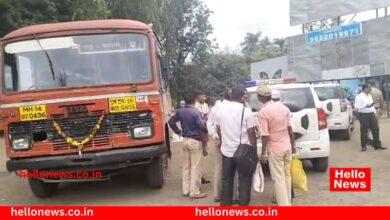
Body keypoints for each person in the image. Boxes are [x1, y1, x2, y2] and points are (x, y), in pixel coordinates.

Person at [215, 87, 257, 206]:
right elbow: (251, 132)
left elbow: (218, 129)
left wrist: (224, 141)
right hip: (243, 151)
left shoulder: (220, 110)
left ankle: (226, 206)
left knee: (227, 179)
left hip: (226, 151)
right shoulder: (246, 111)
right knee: (244, 179)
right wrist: (254, 150)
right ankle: (243, 206)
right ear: (242, 97)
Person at [257, 85, 295, 206]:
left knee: (278, 179)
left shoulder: (263, 112)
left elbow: (265, 135)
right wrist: (293, 144)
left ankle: (284, 206)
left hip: (275, 149)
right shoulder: (284, 108)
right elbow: (290, 129)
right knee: (287, 175)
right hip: (287, 146)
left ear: (261, 97)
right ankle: (288, 202)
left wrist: (263, 153)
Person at [168, 93, 208, 199]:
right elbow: (202, 127)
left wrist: (179, 132)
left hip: (184, 140)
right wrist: (206, 128)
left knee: (186, 166)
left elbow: (171, 122)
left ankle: (185, 190)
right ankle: (194, 191)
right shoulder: (196, 112)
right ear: (194, 100)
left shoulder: (180, 111)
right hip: (195, 141)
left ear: (185, 101)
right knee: (195, 167)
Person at [207, 88, 238, 203]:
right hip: (231, 140)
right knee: (233, 169)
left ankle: (217, 194)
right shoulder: (236, 107)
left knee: (218, 167)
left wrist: (214, 135)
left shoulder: (215, 108)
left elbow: (209, 124)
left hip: (217, 140)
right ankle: (233, 196)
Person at [354, 84, 386, 152]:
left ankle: (377, 145)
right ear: (364, 89)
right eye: (369, 88)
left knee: (376, 129)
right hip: (364, 115)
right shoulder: (359, 96)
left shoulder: (369, 96)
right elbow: (356, 106)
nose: (370, 90)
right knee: (364, 131)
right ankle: (364, 146)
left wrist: (374, 112)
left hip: (371, 114)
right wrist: (364, 106)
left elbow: (372, 105)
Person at [195, 90, 211, 184]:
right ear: (198, 96)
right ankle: (198, 178)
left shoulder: (205, 105)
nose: (205, 98)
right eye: (203, 96)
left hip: (204, 132)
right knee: (197, 158)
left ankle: (200, 176)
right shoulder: (195, 106)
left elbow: (207, 116)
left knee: (201, 156)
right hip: (198, 134)